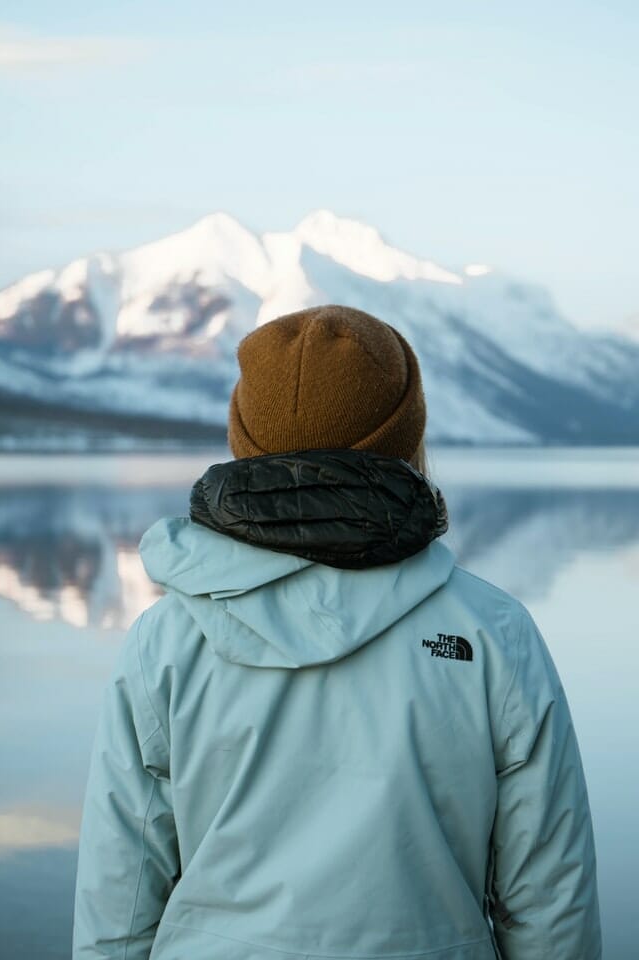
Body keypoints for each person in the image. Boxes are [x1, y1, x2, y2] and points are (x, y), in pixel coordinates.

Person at [72, 304, 602, 960]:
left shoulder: (167, 640)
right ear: (405, 440)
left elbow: (118, 893)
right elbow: (550, 898)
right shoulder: (492, 633)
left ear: (245, 441)